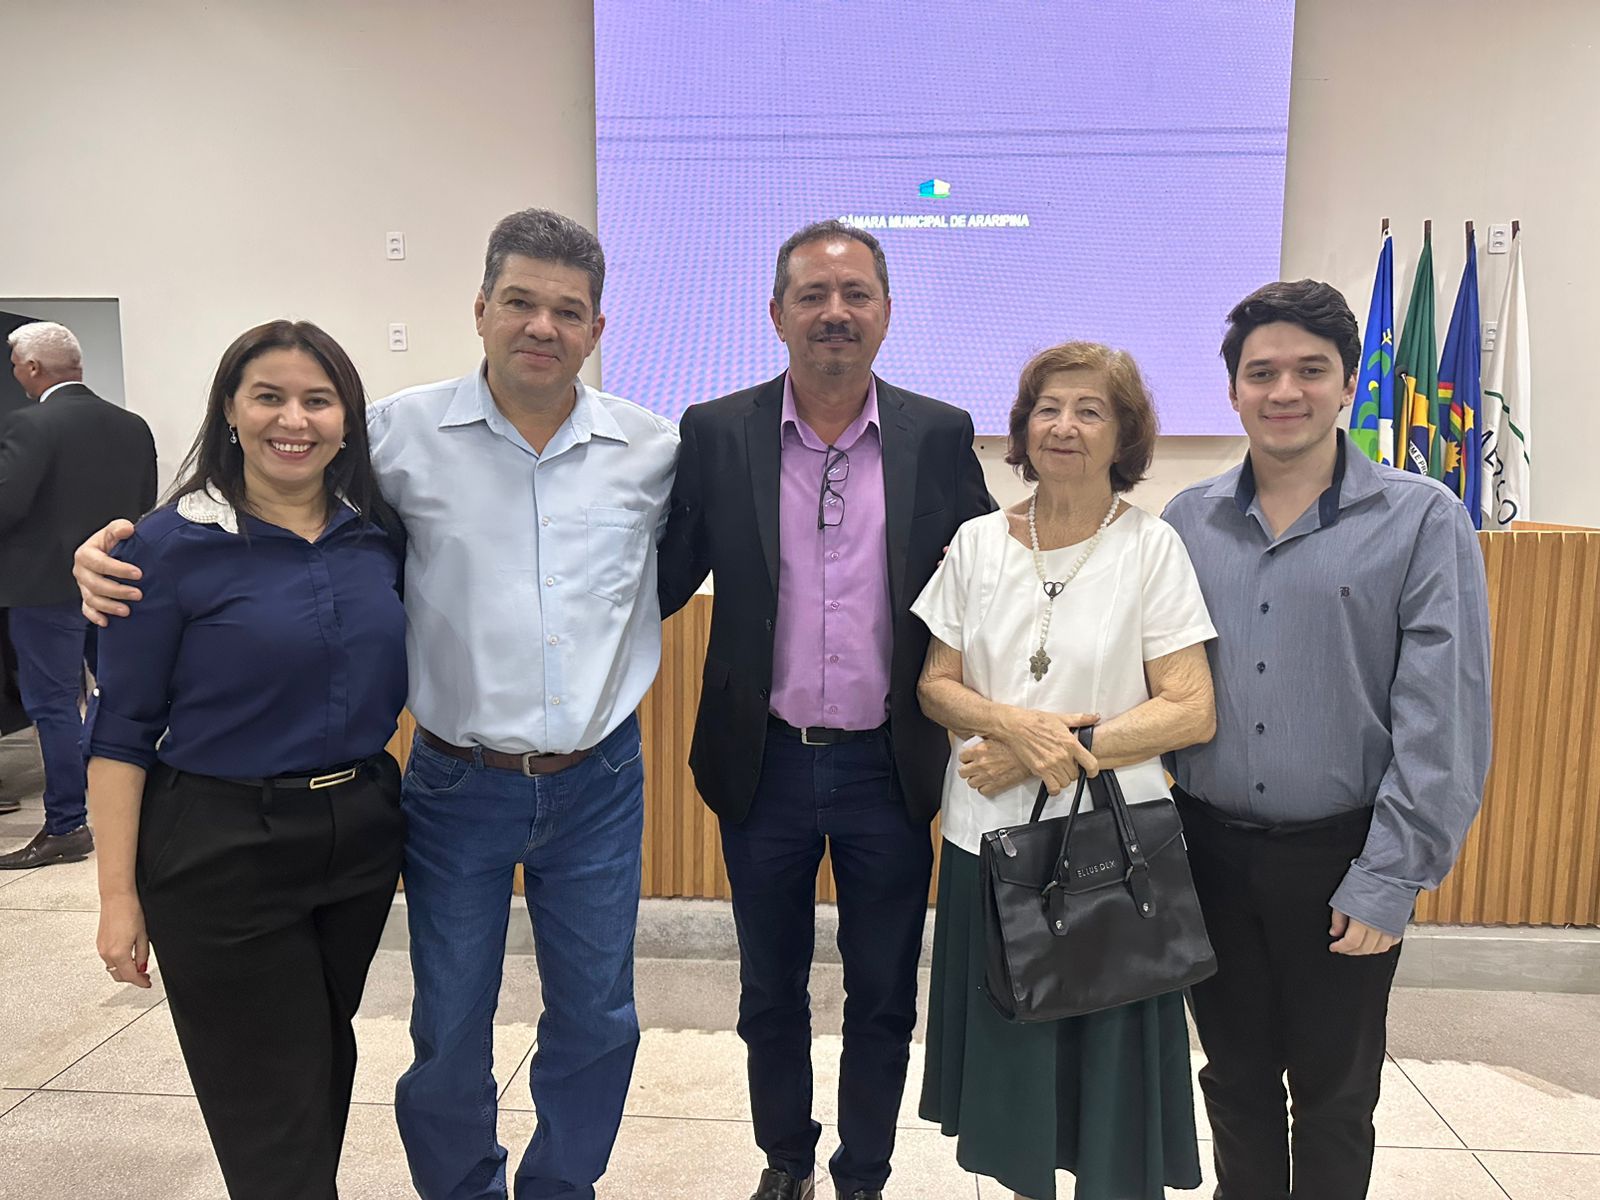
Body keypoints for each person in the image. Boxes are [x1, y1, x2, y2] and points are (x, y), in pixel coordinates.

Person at [78, 208, 676, 1200]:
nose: (542, 326)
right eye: (519, 302)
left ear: (597, 330)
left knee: (601, 1017)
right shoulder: (395, 436)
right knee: (448, 1027)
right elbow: (261, 506)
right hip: (455, 779)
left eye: (567, 311)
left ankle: (562, 1188)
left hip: (600, 780)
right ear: (481, 310)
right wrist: (103, 556)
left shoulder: (650, 450)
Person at [657, 219, 993, 1200]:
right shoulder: (717, 433)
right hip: (760, 766)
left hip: (887, 769)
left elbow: (982, 586)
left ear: (885, 314)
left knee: (884, 993)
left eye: (854, 296)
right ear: (776, 315)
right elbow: (663, 579)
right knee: (770, 995)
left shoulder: (936, 435)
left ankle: (863, 1176)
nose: (833, 314)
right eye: (812, 295)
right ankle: (786, 1162)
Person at [1162, 280, 1492, 1200]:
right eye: (1262, 372)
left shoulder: (1424, 519)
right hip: (1208, 853)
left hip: (1345, 855)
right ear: (1231, 389)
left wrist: (1391, 878)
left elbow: (1444, 719)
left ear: (1347, 382)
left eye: (1311, 370)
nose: (1285, 391)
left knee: (1337, 1094)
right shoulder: (1187, 521)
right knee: (1231, 1081)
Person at [87, 320, 408, 1199]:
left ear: (347, 418)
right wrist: (118, 897)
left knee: (318, 1060)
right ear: (230, 410)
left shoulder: (377, 536)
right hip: (220, 843)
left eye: (317, 399)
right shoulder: (162, 548)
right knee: (268, 1096)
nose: (292, 419)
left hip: (360, 832)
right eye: (268, 396)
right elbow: (120, 734)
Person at [910, 341, 1217, 1200]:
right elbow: (936, 685)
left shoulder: (1150, 549)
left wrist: (1049, 749)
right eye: (1048, 407)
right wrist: (1012, 724)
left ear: (1124, 434)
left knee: (1106, 1099)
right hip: (991, 846)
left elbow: (1191, 709)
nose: (1065, 425)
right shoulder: (975, 544)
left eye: (1090, 410)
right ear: (1022, 426)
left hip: (1108, 855)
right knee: (1014, 1090)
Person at [0, 322, 155, 867]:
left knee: (54, 703)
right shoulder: (132, 426)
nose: (16, 372)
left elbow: (7, 506)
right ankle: (130, 808)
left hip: (43, 588)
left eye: (17, 363)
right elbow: (143, 507)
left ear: (34, 368)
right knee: (116, 695)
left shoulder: (28, 425)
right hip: (115, 577)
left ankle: (67, 824)